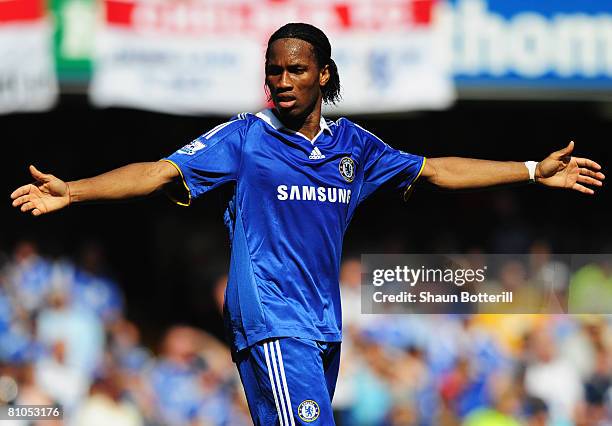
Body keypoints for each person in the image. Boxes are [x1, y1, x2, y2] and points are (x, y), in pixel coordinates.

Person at [10, 22, 604, 426]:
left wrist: (531, 169)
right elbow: (159, 173)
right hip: (272, 319)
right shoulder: (246, 138)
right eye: (274, 71)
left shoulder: (354, 147)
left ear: (324, 74)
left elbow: (437, 171)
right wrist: (76, 191)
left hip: (322, 325)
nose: (282, 80)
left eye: (295, 70)